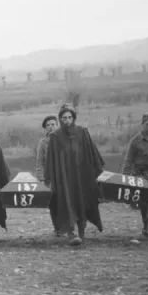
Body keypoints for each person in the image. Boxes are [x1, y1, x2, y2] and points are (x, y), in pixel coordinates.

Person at [45, 104, 105, 246]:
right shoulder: (55, 137)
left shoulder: (82, 132)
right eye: (64, 118)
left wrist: (97, 172)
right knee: (67, 201)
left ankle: (82, 231)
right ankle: (71, 233)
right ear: (60, 119)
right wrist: (50, 179)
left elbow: (91, 153)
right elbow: (51, 160)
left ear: (74, 118)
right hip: (64, 177)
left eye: (70, 117)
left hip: (82, 174)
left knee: (83, 201)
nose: (67, 120)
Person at [122, 113, 148, 237]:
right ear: (142, 125)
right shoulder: (135, 141)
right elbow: (129, 160)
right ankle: (146, 225)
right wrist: (125, 177)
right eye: (147, 125)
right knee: (144, 201)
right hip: (140, 174)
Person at [36, 115, 60, 236]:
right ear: (45, 128)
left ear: (57, 125)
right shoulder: (43, 143)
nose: (51, 127)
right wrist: (41, 179)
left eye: (53, 124)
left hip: (63, 176)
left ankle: (69, 226)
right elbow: (40, 162)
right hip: (49, 178)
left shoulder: (63, 140)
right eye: (48, 125)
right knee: (53, 202)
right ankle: (57, 228)